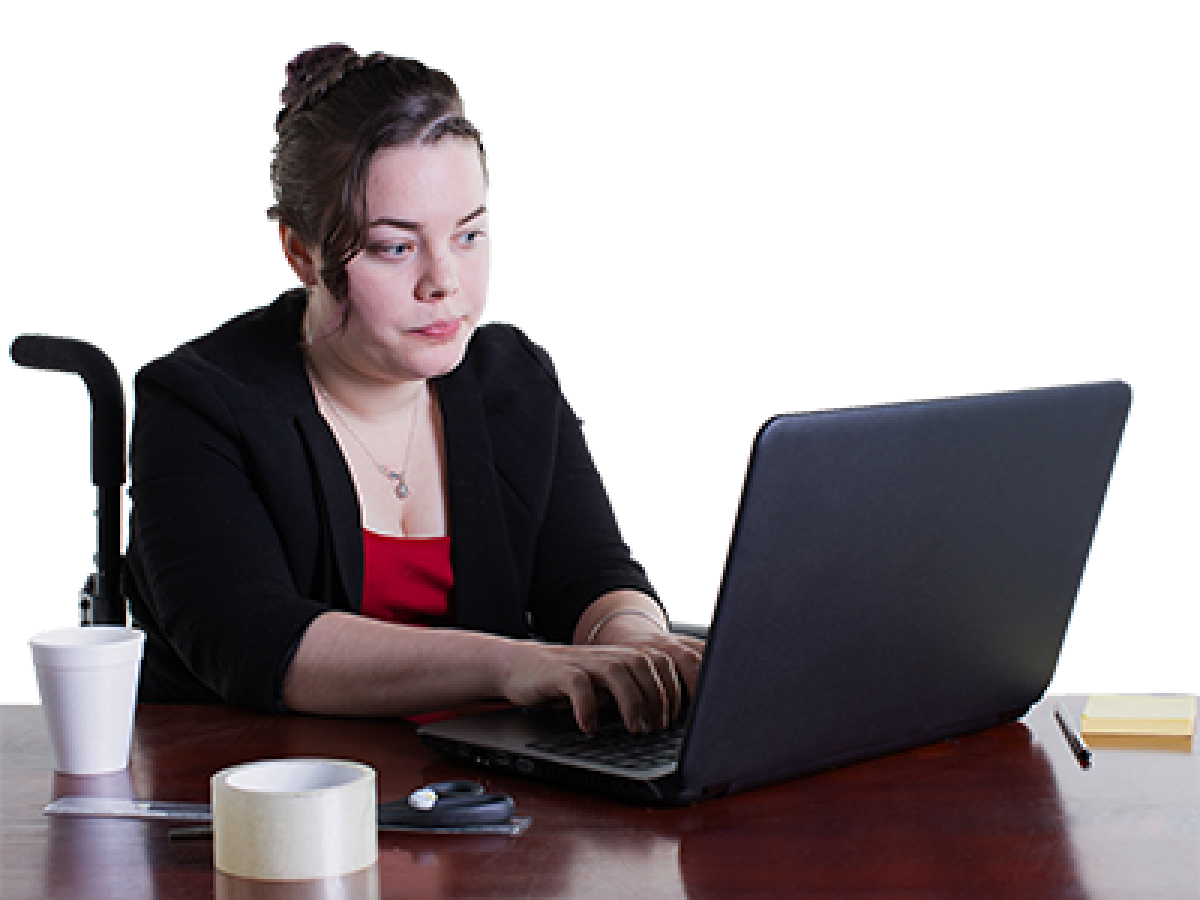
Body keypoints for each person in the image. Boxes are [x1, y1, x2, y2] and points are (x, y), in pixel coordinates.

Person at [124, 44, 704, 735]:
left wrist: (638, 638)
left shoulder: (510, 376)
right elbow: (252, 641)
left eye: (468, 235)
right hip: (259, 812)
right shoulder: (195, 403)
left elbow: (586, 573)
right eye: (395, 247)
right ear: (299, 252)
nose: (443, 282)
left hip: (474, 803)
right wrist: (513, 665)